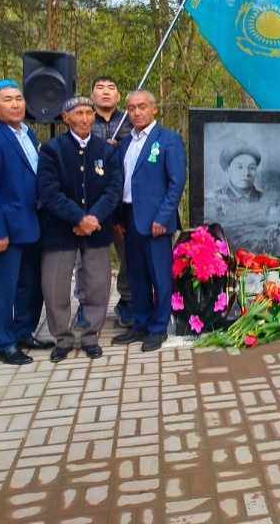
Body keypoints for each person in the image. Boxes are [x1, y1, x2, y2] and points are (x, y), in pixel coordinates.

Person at [0, 79, 54, 366]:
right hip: (8, 227)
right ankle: (4, 342)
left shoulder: (29, 134)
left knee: (30, 285)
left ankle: (23, 331)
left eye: (19, 98)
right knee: (3, 287)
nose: (16, 104)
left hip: (33, 224)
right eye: (7, 99)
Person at [37, 95, 122, 362]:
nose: (85, 118)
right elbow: (49, 192)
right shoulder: (52, 150)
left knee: (97, 284)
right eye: (79, 113)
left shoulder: (106, 150)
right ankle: (62, 338)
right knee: (55, 286)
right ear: (66, 117)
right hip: (60, 230)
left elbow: (114, 188)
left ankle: (90, 336)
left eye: (89, 113)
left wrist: (93, 217)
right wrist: (78, 218)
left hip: (97, 228)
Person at [112, 90, 187, 352]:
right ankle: (140, 322)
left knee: (159, 275)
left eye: (142, 107)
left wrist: (163, 217)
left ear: (153, 109)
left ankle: (158, 327)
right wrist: (118, 217)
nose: (136, 112)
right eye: (131, 108)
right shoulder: (125, 142)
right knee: (137, 275)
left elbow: (176, 183)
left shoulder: (168, 139)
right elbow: (121, 183)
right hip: (129, 217)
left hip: (156, 221)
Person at [80, 75, 134, 329]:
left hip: (123, 202)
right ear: (92, 94)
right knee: (88, 259)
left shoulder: (131, 122)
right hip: (91, 203)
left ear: (119, 96)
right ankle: (86, 304)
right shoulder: (83, 120)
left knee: (128, 256)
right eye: (99, 87)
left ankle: (127, 300)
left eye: (111, 88)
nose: (105, 92)